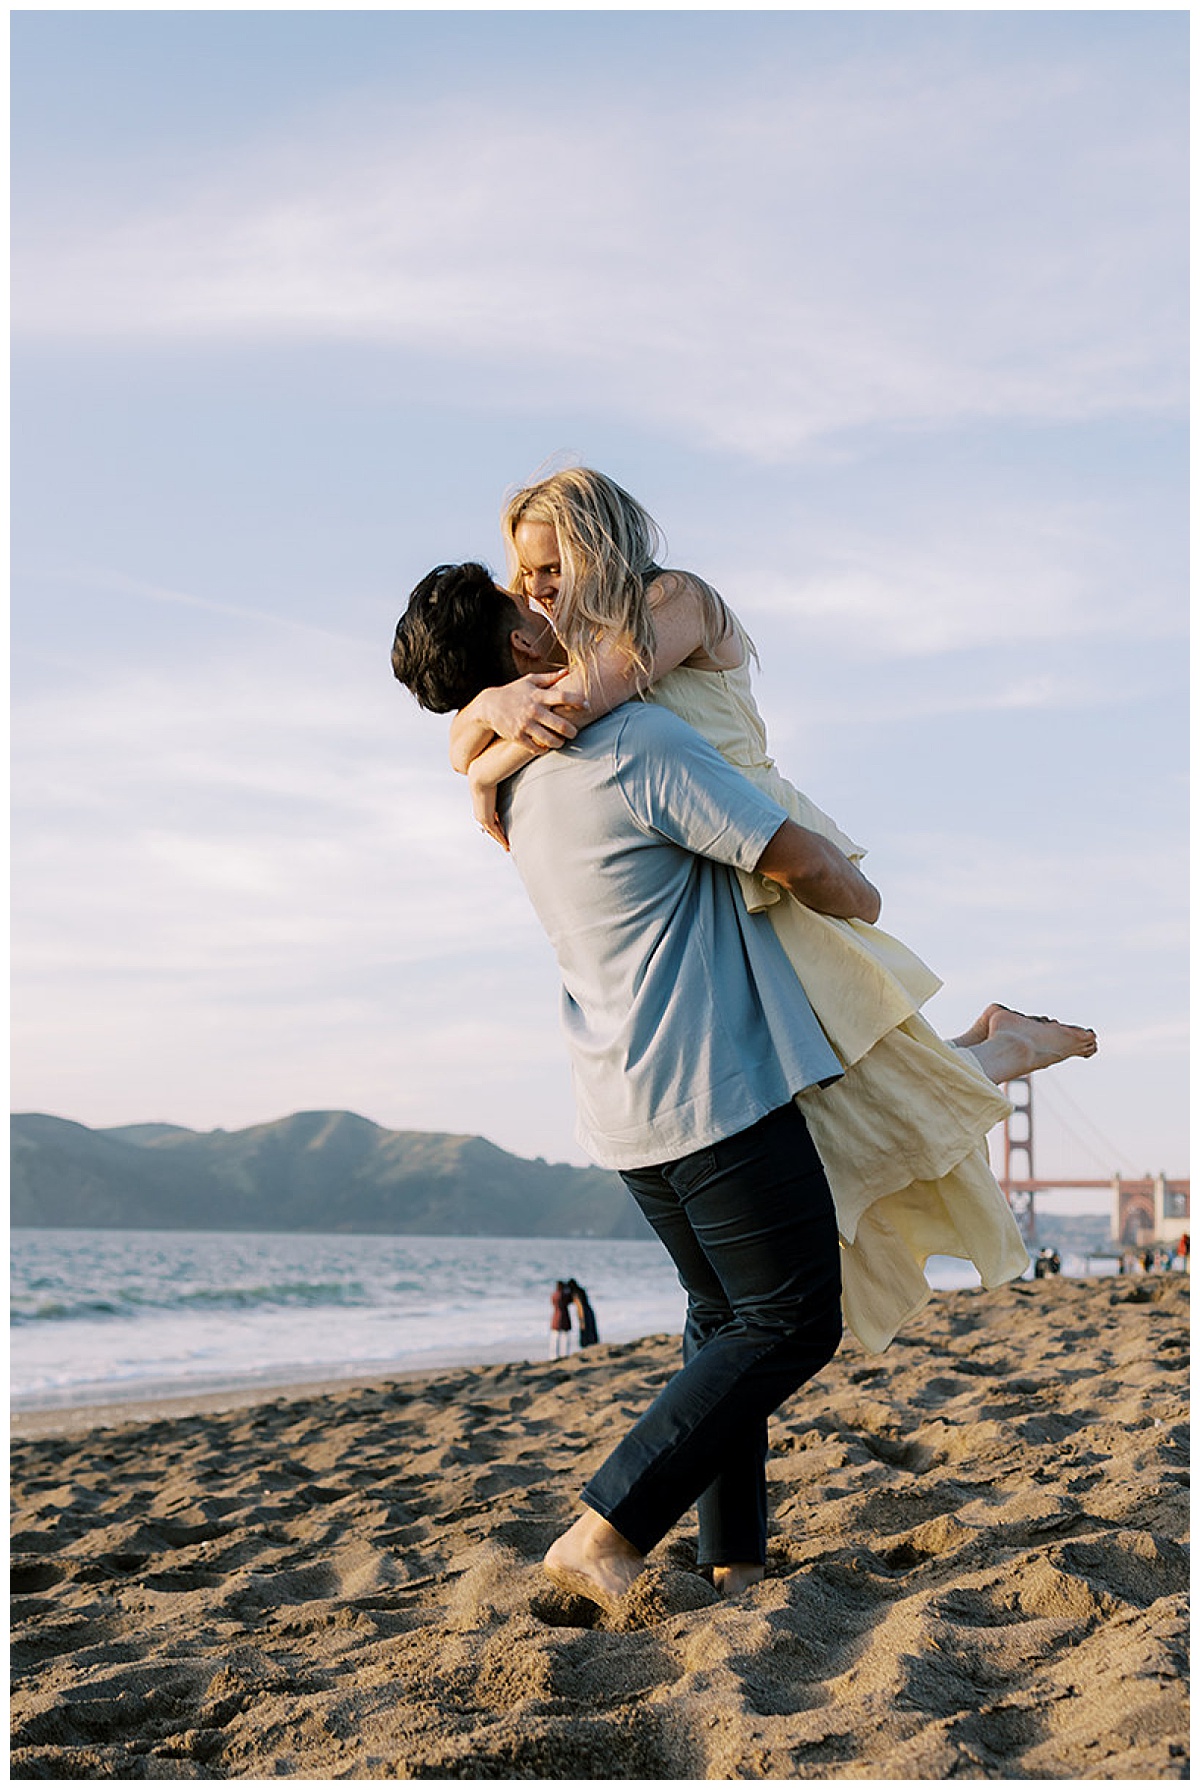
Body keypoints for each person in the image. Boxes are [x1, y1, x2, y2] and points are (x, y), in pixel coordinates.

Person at [440, 469, 1097, 1353]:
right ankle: (997, 1043)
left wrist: (486, 747)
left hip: (772, 857)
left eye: (549, 566)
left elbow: (579, 709)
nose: (536, 590)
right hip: (710, 874)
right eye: (524, 579)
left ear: (599, 546)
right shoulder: (567, 658)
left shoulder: (675, 601)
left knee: (862, 1102)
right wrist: (481, 716)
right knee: (840, 1110)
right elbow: (487, 735)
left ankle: (1007, 1046)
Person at [392, 565, 883, 1607]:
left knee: (723, 1317)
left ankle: (735, 1555)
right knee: (793, 1318)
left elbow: (481, 742)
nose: (545, 605)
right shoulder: (637, 748)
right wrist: (862, 888)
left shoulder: (513, 786)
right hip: (715, 1084)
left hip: (623, 1106)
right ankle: (607, 1526)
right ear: (523, 651)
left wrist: (482, 722)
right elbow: (796, 860)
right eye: (523, 603)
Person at [567, 1279, 599, 1347]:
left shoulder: (576, 1294)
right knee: (591, 1330)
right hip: (589, 1311)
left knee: (585, 1331)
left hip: (585, 1313)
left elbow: (580, 1307)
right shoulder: (581, 1291)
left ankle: (586, 1345)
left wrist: (582, 1320)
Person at [550, 1280, 573, 1358]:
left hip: (555, 1316)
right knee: (565, 1336)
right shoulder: (563, 1295)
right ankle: (564, 1353)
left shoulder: (554, 1295)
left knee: (555, 1337)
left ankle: (553, 1355)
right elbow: (570, 1300)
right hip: (564, 1316)